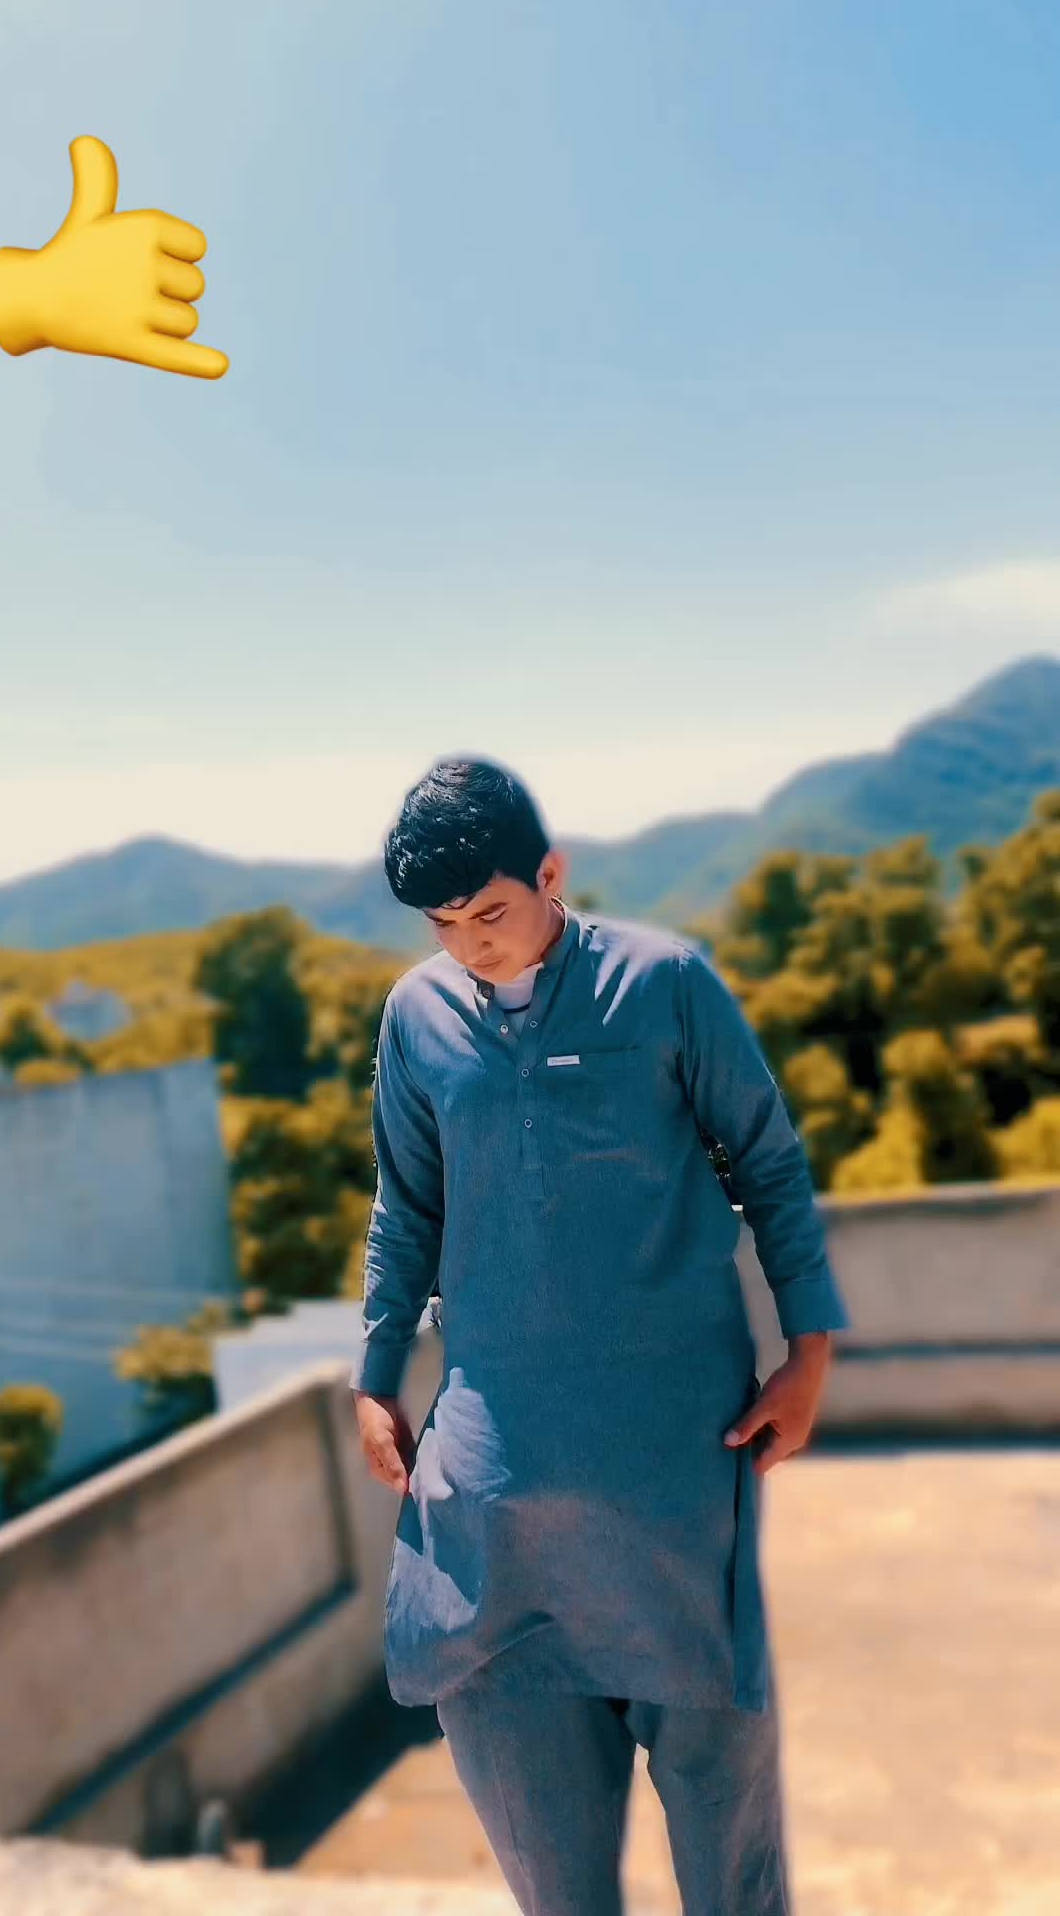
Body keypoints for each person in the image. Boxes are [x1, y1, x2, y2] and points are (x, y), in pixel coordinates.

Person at [350, 757, 852, 1916]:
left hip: (672, 1465)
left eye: (489, 911)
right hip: (498, 1488)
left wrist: (809, 1353)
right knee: (547, 1857)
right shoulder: (416, 1017)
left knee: (729, 1845)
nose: (470, 944)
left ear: (550, 872)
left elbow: (768, 1165)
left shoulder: (665, 984)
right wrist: (376, 1377)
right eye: (443, 925)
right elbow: (406, 1205)